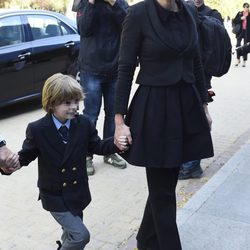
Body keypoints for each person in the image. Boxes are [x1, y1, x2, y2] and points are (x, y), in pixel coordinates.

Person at [114, 0, 214, 249]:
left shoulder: (189, 10)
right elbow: (125, 68)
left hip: (185, 106)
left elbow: (196, 62)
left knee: (165, 186)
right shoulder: (137, 13)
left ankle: (146, 240)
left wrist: (204, 105)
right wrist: (119, 120)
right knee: (163, 192)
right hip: (155, 110)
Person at [8, 73, 127, 250]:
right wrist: (10, 164)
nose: (74, 107)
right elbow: (26, 155)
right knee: (80, 236)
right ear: (51, 104)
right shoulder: (38, 129)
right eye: (67, 103)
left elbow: (97, 146)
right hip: (54, 196)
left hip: (77, 192)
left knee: (70, 235)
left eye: (76, 101)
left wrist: (116, 144)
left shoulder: (84, 124)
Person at [76, 0, 129, 175]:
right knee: (90, 114)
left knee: (113, 114)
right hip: (91, 69)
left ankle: (109, 151)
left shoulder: (119, 2)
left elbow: (128, 25)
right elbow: (83, 29)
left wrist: (113, 3)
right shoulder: (84, 2)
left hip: (115, 68)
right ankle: (86, 154)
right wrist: (91, 4)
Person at [179, 0, 222, 180]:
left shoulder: (212, 15)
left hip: (199, 77)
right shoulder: (181, 9)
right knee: (186, 121)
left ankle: (191, 166)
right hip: (185, 76)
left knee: (196, 121)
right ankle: (187, 163)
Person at [233, 2, 250, 67]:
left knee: (245, 46)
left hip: (247, 32)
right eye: (245, 7)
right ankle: (238, 59)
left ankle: (244, 61)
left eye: (247, 7)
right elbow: (234, 21)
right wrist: (240, 18)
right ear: (243, 7)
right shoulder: (240, 13)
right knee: (238, 45)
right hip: (240, 31)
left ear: (248, 8)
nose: (246, 8)